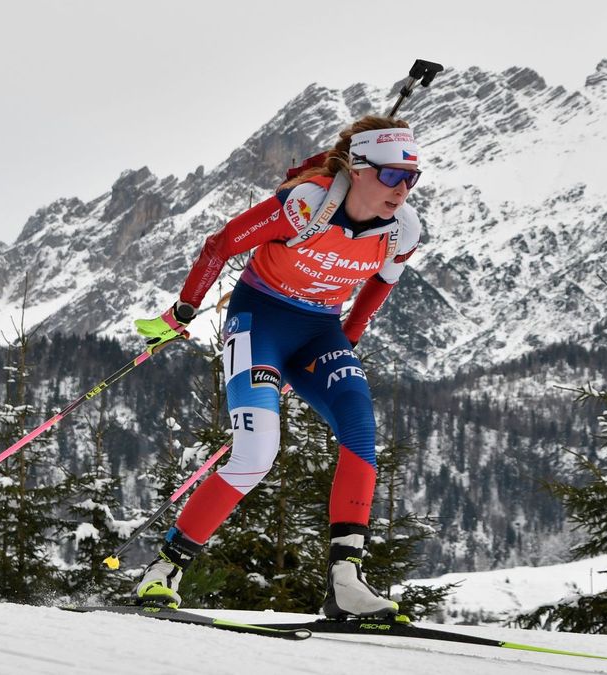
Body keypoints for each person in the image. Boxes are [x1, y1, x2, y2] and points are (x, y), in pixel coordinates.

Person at [130, 115, 423, 619]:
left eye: (412, 177)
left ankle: (345, 581)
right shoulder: (306, 204)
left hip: (320, 333)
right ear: (357, 168)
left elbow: (376, 291)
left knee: (359, 430)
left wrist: (339, 349)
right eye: (392, 175)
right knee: (254, 455)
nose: (403, 189)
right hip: (259, 321)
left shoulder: (405, 228)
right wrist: (184, 309)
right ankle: (165, 569)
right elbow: (222, 245)